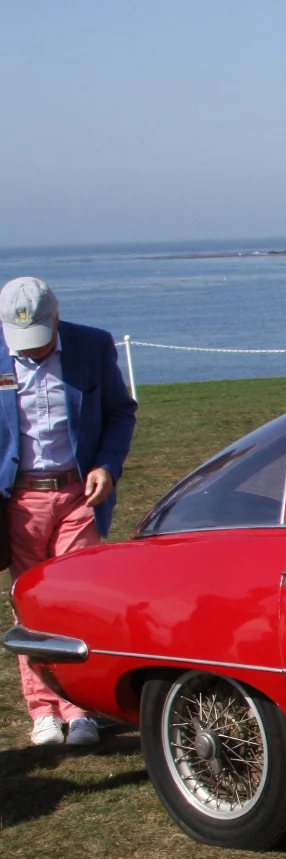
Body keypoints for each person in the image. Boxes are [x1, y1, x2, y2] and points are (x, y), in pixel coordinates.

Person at [0, 277, 138, 746]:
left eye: (40, 338)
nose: (33, 350)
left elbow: (120, 412)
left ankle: (79, 708)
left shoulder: (92, 346)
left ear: (56, 316)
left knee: (74, 601)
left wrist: (107, 466)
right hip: (18, 500)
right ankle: (43, 709)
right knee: (29, 604)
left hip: (79, 494)